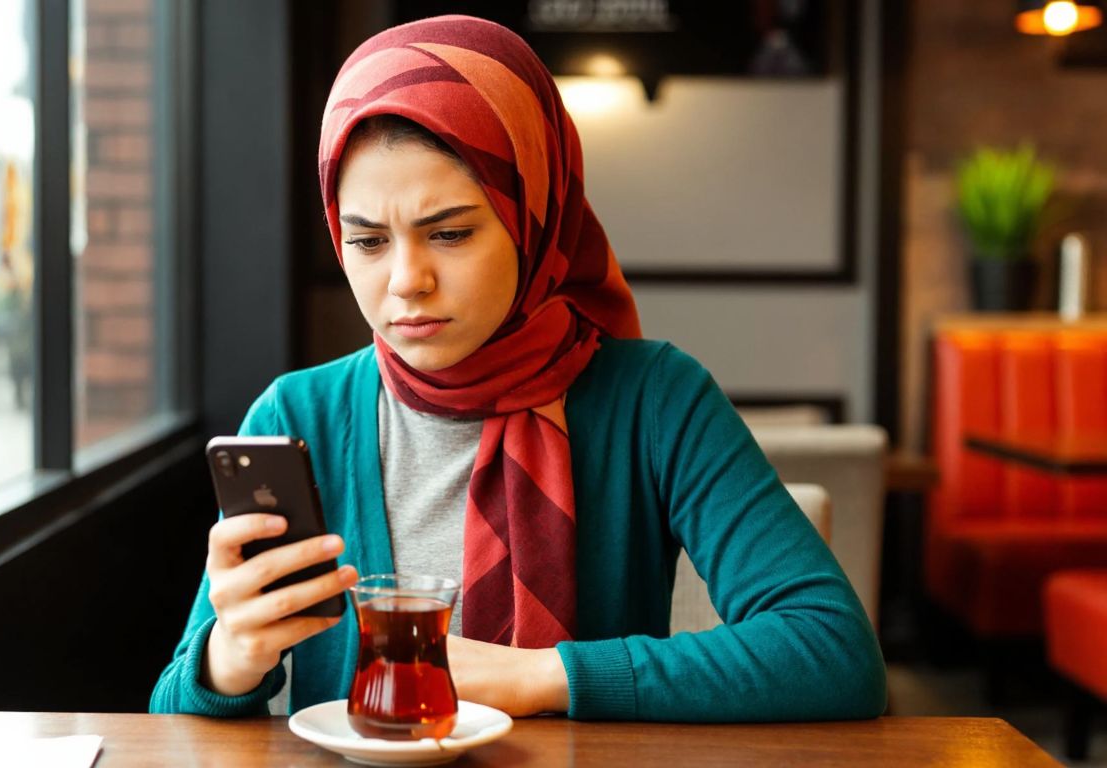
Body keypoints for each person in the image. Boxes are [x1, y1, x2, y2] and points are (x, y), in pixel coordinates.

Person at [150, 15, 885, 722]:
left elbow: (833, 652)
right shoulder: (296, 417)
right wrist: (227, 658)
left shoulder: (655, 398)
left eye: (449, 232)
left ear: (534, 216)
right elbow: (170, 716)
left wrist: (541, 676)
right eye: (368, 242)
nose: (406, 280)